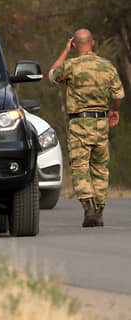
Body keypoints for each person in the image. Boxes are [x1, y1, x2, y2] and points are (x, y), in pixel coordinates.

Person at [49, 28, 124, 227]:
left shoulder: (71, 66)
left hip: (79, 124)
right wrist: (113, 111)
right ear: (92, 43)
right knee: (100, 169)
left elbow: (51, 75)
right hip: (101, 123)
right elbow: (118, 95)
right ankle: (99, 211)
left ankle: (89, 207)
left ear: (74, 44)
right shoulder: (107, 66)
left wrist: (65, 52)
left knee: (80, 167)